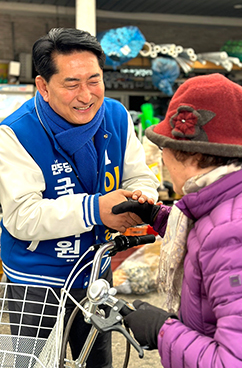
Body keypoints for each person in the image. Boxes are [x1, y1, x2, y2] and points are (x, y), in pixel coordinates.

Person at [112, 74, 242, 367]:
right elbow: (211, 228)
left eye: (164, 151)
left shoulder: (240, 237)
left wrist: (162, 331)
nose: (163, 161)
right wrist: (157, 217)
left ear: (190, 154)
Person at [0, 28, 159, 368]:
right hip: (36, 281)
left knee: (97, 360)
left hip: (94, 272)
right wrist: (95, 210)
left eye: (94, 80)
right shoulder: (16, 133)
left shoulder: (115, 117)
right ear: (43, 87)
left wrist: (139, 200)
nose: (86, 95)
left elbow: (140, 175)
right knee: (32, 362)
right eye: (72, 83)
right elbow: (22, 216)